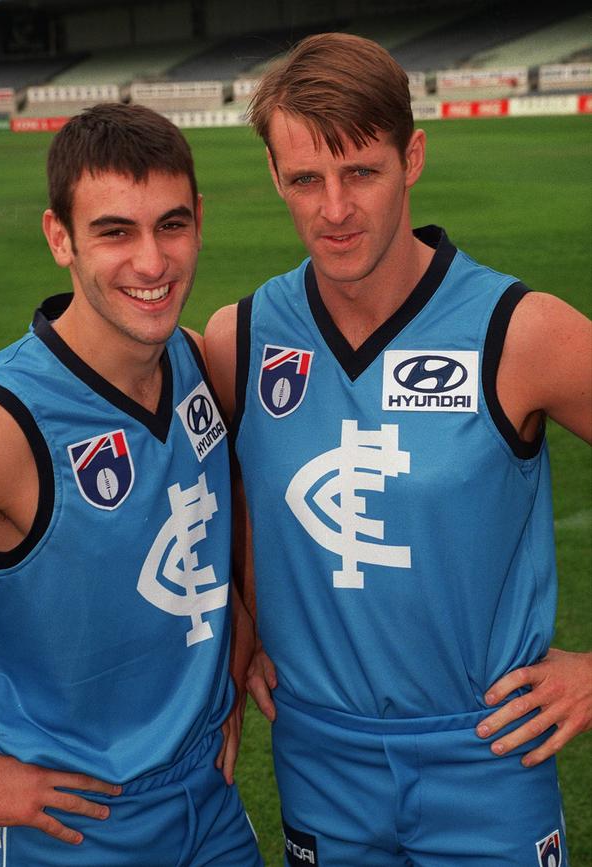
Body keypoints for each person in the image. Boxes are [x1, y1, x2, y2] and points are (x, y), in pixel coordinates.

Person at [205, 32, 592, 867]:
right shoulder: (240, 341)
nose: (335, 209)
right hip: (319, 755)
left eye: (361, 172)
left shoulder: (520, 333)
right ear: (275, 176)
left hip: (487, 754)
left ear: (412, 157)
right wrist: (247, 609)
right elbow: (231, 483)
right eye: (306, 178)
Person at [0, 103, 262, 867]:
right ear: (61, 238)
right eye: (115, 231)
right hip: (65, 830)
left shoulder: (193, 361)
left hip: (206, 802)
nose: (152, 262)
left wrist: (240, 636)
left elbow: (229, 500)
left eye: (172, 225)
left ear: (199, 221)